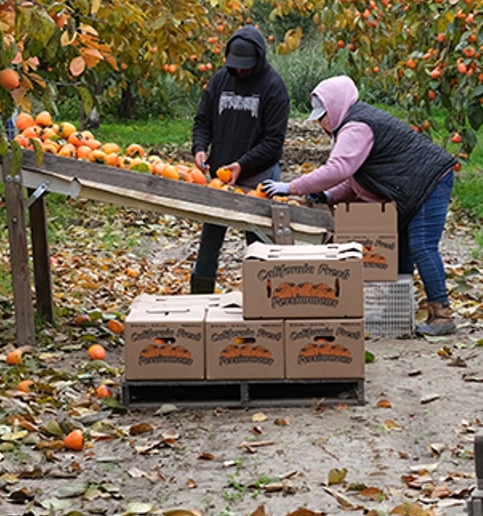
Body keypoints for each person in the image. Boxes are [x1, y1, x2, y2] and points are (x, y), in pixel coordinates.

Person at [259, 76, 459, 336]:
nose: (322, 122)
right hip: (411, 186)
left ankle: (442, 315)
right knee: (401, 246)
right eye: (319, 117)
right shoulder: (352, 124)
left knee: (421, 245)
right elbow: (356, 179)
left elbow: (340, 169)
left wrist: (293, 186)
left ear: (336, 107)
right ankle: (396, 311)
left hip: (429, 181)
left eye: (324, 116)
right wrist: (327, 196)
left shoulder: (356, 126)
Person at [189, 26, 289, 294]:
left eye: (246, 67)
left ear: (259, 59)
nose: (241, 71)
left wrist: (243, 165)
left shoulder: (274, 87)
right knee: (210, 242)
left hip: (259, 176)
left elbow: (273, 142)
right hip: (220, 178)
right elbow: (203, 121)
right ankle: (200, 304)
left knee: (258, 248)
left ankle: (262, 304)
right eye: (236, 66)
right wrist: (199, 148)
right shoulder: (220, 80)